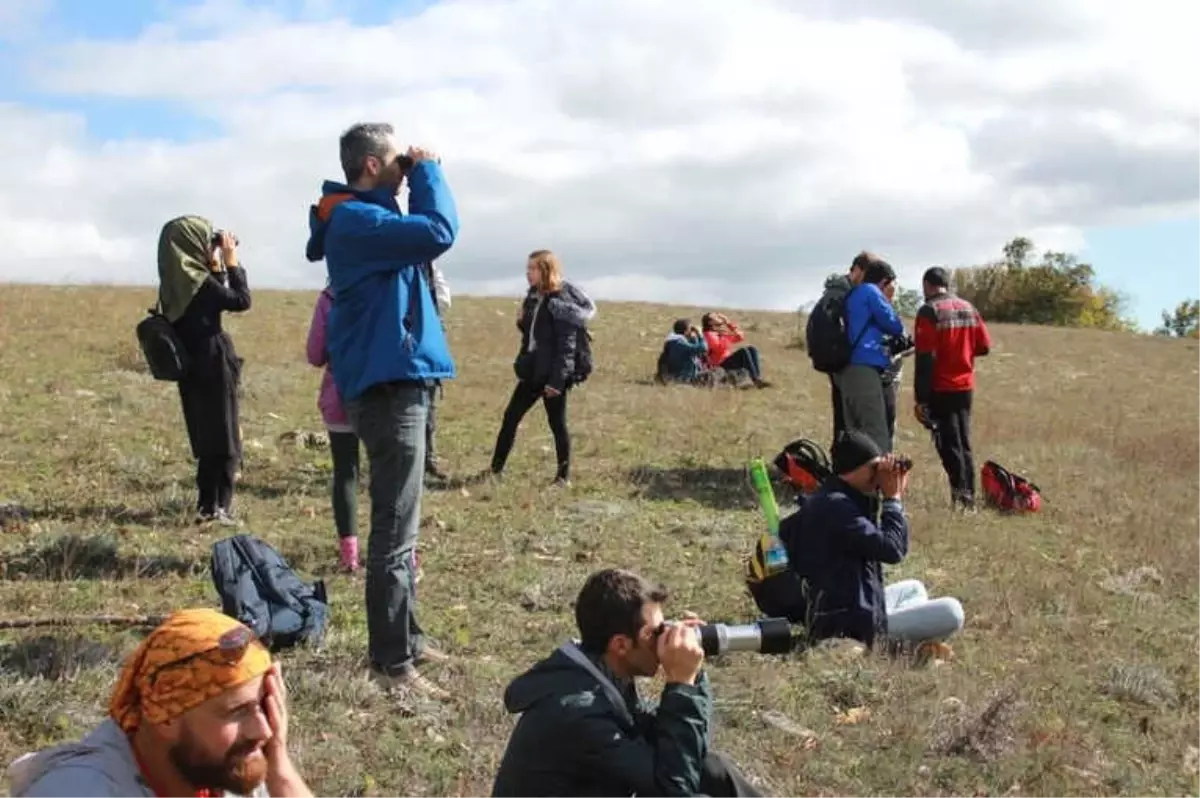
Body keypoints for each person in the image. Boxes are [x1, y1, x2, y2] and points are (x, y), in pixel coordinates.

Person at [305, 122, 458, 698]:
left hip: (399, 381)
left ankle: (407, 641)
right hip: (389, 388)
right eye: (398, 160)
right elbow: (439, 230)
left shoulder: (367, 220)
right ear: (372, 164)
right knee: (394, 529)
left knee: (404, 526)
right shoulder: (357, 221)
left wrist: (415, 177)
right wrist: (432, 171)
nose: (406, 167)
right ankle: (391, 662)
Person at [491, 568, 764, 798]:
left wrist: (692, 678)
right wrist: (682, 684)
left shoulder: (601, 677)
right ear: (620, 645)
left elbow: (683, 752)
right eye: (653, 633)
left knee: (712, 768)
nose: (662, 639)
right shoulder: (578, 711)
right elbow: (674, 791)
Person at [6, 609, 313, 798]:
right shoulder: (80, 790)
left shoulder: (223, 768)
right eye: (237, 710)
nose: (263, 729)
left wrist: (280, 768)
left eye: (264, 704)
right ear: (166, 717)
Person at [783, 430, 964, 650]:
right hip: (848, 625)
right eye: (874, 468)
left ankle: (907, 639)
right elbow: (892, 550)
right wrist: (892, 500)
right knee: (952, 612)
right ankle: (876, 646)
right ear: (855, 469)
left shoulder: (835, 496)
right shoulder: (837, 508)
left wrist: (884, 494)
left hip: (849, 606)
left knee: (913, 589)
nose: (880, 475)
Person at [157, 216, 251, 526]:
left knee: (207, 435)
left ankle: (206, 505)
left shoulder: (175, 283)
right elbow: (240, 300)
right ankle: (219, 508)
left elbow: (216, 299)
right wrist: (231, 261)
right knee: (224, 436)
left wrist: (214, 265)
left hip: (191, 367)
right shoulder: (198, 284)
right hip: (213, 362)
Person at [488, 250, 595, 487]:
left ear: (546, 270)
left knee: (557, 424)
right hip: (533, 371)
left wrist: (557, 382)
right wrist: (521, 321)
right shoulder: (534, 296)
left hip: (551, 375)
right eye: (527, 269)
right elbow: (535, 336)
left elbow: (566, 346)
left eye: (533, 269)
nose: (528, 274)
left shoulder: (561, 302)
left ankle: (563, 477)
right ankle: (495, 471)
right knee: (510, 418)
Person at [913, 267, 992, 511]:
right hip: (965, 386)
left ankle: (962, 499)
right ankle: (968, 495)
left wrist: (921, 399)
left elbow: (925, 358)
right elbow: (985, 346)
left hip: (941, 386)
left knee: (949, 445)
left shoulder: (930, 311)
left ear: (927, 285)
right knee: (964, 442)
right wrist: (963, 351)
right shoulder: (968, 308)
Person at [305, 282, 362, 573]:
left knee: (346, 472)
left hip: (341, 393)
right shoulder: (390, 285)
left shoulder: (330, 297)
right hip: (388, 395)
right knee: (390, 475)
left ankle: (349, 554)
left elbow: (315, 354)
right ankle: (396, 548)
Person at [838, 258, 907, 452]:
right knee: (877, 437)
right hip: (865, 369)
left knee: (857, 440)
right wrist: (887, 300)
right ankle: (881, 482)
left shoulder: (853, 294)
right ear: (885, 281)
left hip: (847, 372)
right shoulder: (871, 292)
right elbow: (895, 325)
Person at [816, 253, 871, 445]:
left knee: (843, 414)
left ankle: (843, 456)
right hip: (843, 361)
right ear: (857, 270)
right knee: (847, 416)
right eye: (867, 274)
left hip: (836, 359)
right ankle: (846, 460)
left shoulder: (835, 291)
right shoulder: (844, 295)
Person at [423, 261, 453, 485]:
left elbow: (444, 301)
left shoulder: (431, 269)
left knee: (429, 407)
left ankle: (429, 459)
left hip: (429, 339)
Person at [700, 312, 770, 388]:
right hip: (719, 366)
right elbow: (719, 349)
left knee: (752, 349)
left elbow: (740, 337)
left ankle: (757, 378)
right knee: (744, 351)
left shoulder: (719, 332)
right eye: (715, 317)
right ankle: (755, 380)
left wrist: (729, 323)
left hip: (726, 361)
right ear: (710, 322)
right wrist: (724, 336)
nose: (719, 317)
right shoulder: (708, 335)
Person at [656, 318, 709, 384]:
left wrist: (694, 339)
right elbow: (703, 348)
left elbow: (696, 353)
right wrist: (700, 335)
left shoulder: (672, 341)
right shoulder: (679, 344)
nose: (691, 331)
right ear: (685, 331)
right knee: (718, 373)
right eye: (690, 329)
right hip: (684, 377)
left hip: (679, 375)